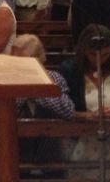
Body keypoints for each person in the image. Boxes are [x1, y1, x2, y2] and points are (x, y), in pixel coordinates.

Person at [59, 25, 110, 171]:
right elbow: (60, 109)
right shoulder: (70, 71)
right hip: (81, 139)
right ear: (83, 51)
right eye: (93, 54)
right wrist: (87, 116)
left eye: (104, 55)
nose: (99, 60)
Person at [12, 34, 75, 174]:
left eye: (22, 61)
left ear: (38, 59)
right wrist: (24, 92)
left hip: (50, 150)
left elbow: (68, 111)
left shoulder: (54, 78)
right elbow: (7, 113)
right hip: (17, 153)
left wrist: (38, 92)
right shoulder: (8, 80)